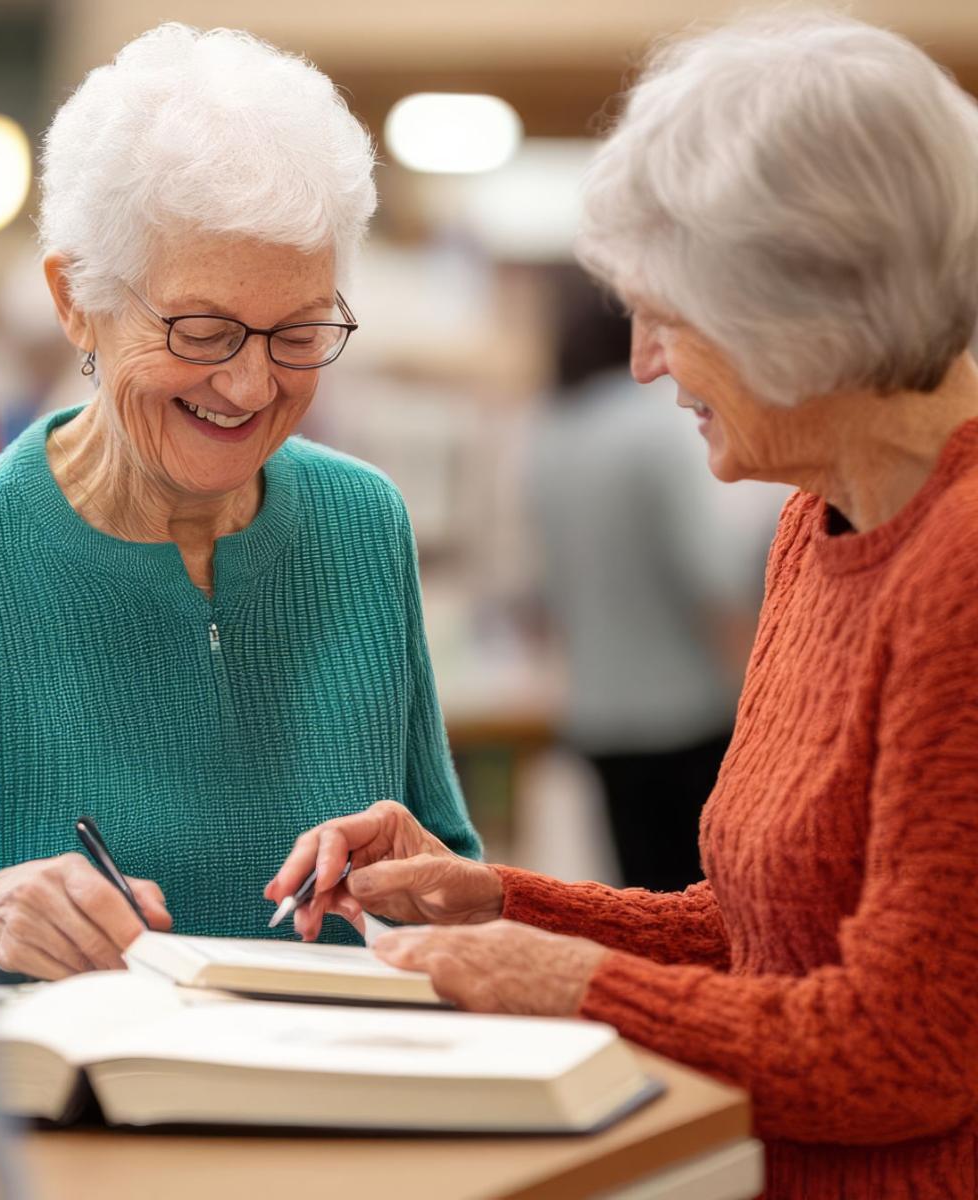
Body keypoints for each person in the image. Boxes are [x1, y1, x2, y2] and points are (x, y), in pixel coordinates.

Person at [268, 13, 978, 1198]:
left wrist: (566, 985)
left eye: (668, 312)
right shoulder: (821, 518)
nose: (644, 362)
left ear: (805, 299)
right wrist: (499, 898)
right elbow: (760, 937)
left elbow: (902, 1052)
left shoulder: (959, 566)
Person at [0, 23, 480, 982]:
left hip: (347, 1112)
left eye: (299, 333)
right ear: (76, 299)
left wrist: (436, 890)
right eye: (204, 330)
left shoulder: (363, 524)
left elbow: (456, 876)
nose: (252, 387)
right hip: (76, 1118)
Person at [530, 273, 786, 890]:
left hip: (595, 714)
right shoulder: (657, 429)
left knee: (639, 895)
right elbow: (712, 581)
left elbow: (546, 588)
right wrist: (769, 713)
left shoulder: (547, 435)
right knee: (707, 906)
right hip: (687, 716)